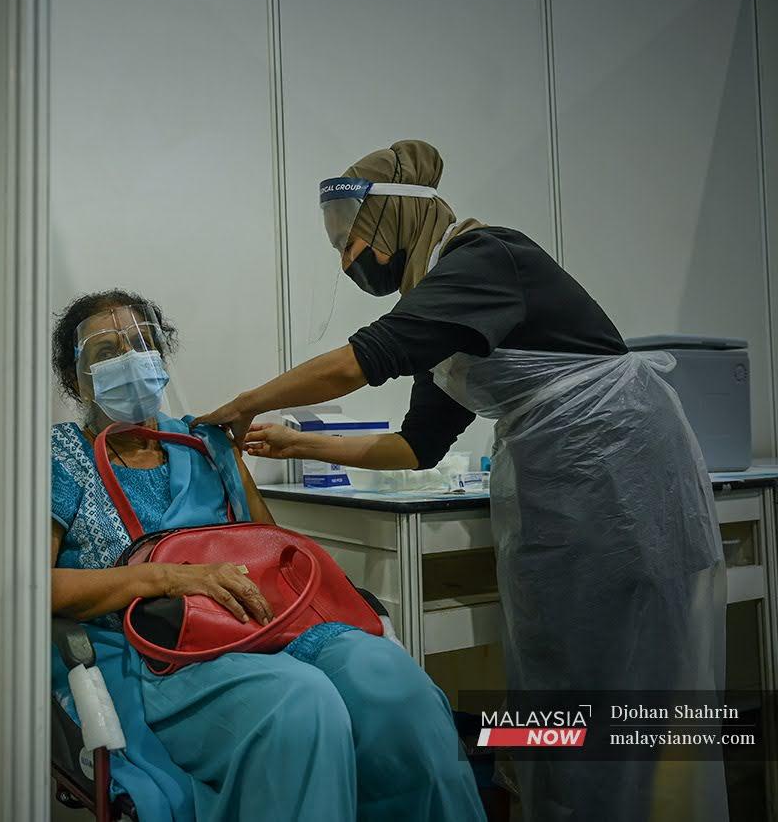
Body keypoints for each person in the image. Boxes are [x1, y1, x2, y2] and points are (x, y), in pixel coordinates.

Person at [197, 140, 727, 821]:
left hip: (619, 468)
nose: (346, 258)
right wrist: (299, 439)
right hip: (561, 478)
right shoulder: (443, 312)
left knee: (618, 677)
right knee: (561, 671)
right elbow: (415, 446)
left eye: (351, 237)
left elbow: (364, 358)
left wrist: (249, 402)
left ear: (393, 223)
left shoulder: (483, 260)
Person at [50, 289, 485, 822]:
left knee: (395, 686)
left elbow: (269, 548)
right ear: (75, 379)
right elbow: (39, 586)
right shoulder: (63, 456)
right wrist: (167, 579)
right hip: (166, 655)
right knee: (300, 706)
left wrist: (237, 461)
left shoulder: (204, 441)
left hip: (265, 625)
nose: (130, 360)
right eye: (106, 352)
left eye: (140, 344)